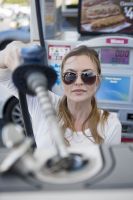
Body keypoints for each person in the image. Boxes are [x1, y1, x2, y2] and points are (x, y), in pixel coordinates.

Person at [0, 41, 122, 148]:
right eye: (70, 75)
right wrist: (11, 50)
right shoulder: (43, 102)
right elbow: (3, 75)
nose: (78, 82)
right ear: (62, 81)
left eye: (87, 75)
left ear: (97, 81)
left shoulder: (110, 124)